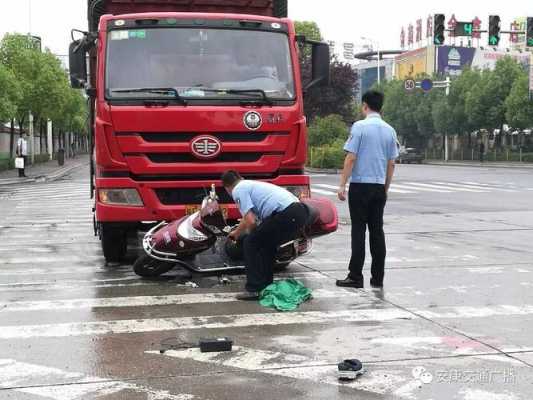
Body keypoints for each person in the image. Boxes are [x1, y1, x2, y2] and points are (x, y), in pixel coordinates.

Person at [336, 90, 399, 289]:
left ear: (365, 106)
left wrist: (342, 184)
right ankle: (378, 278)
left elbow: (351, 157)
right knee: (377, 232)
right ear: (381, 107)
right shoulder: (390, 130)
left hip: (360, 187)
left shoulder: (359, 127)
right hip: (379, 187)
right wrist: (385, 187)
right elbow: (392, 163)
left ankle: (355, 276)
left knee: (358, 232)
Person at [221, 170, 309, 300]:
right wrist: (240, 232)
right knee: (267, 245)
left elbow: (250, 220)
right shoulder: (249, 184)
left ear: (227, 187)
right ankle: (266, 284)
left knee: (250, 243)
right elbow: (251, 220)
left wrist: (245, 235)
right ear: (241, 177)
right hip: (299, 211)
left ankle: (254, 289)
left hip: (286, 213)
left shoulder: (238, 189)